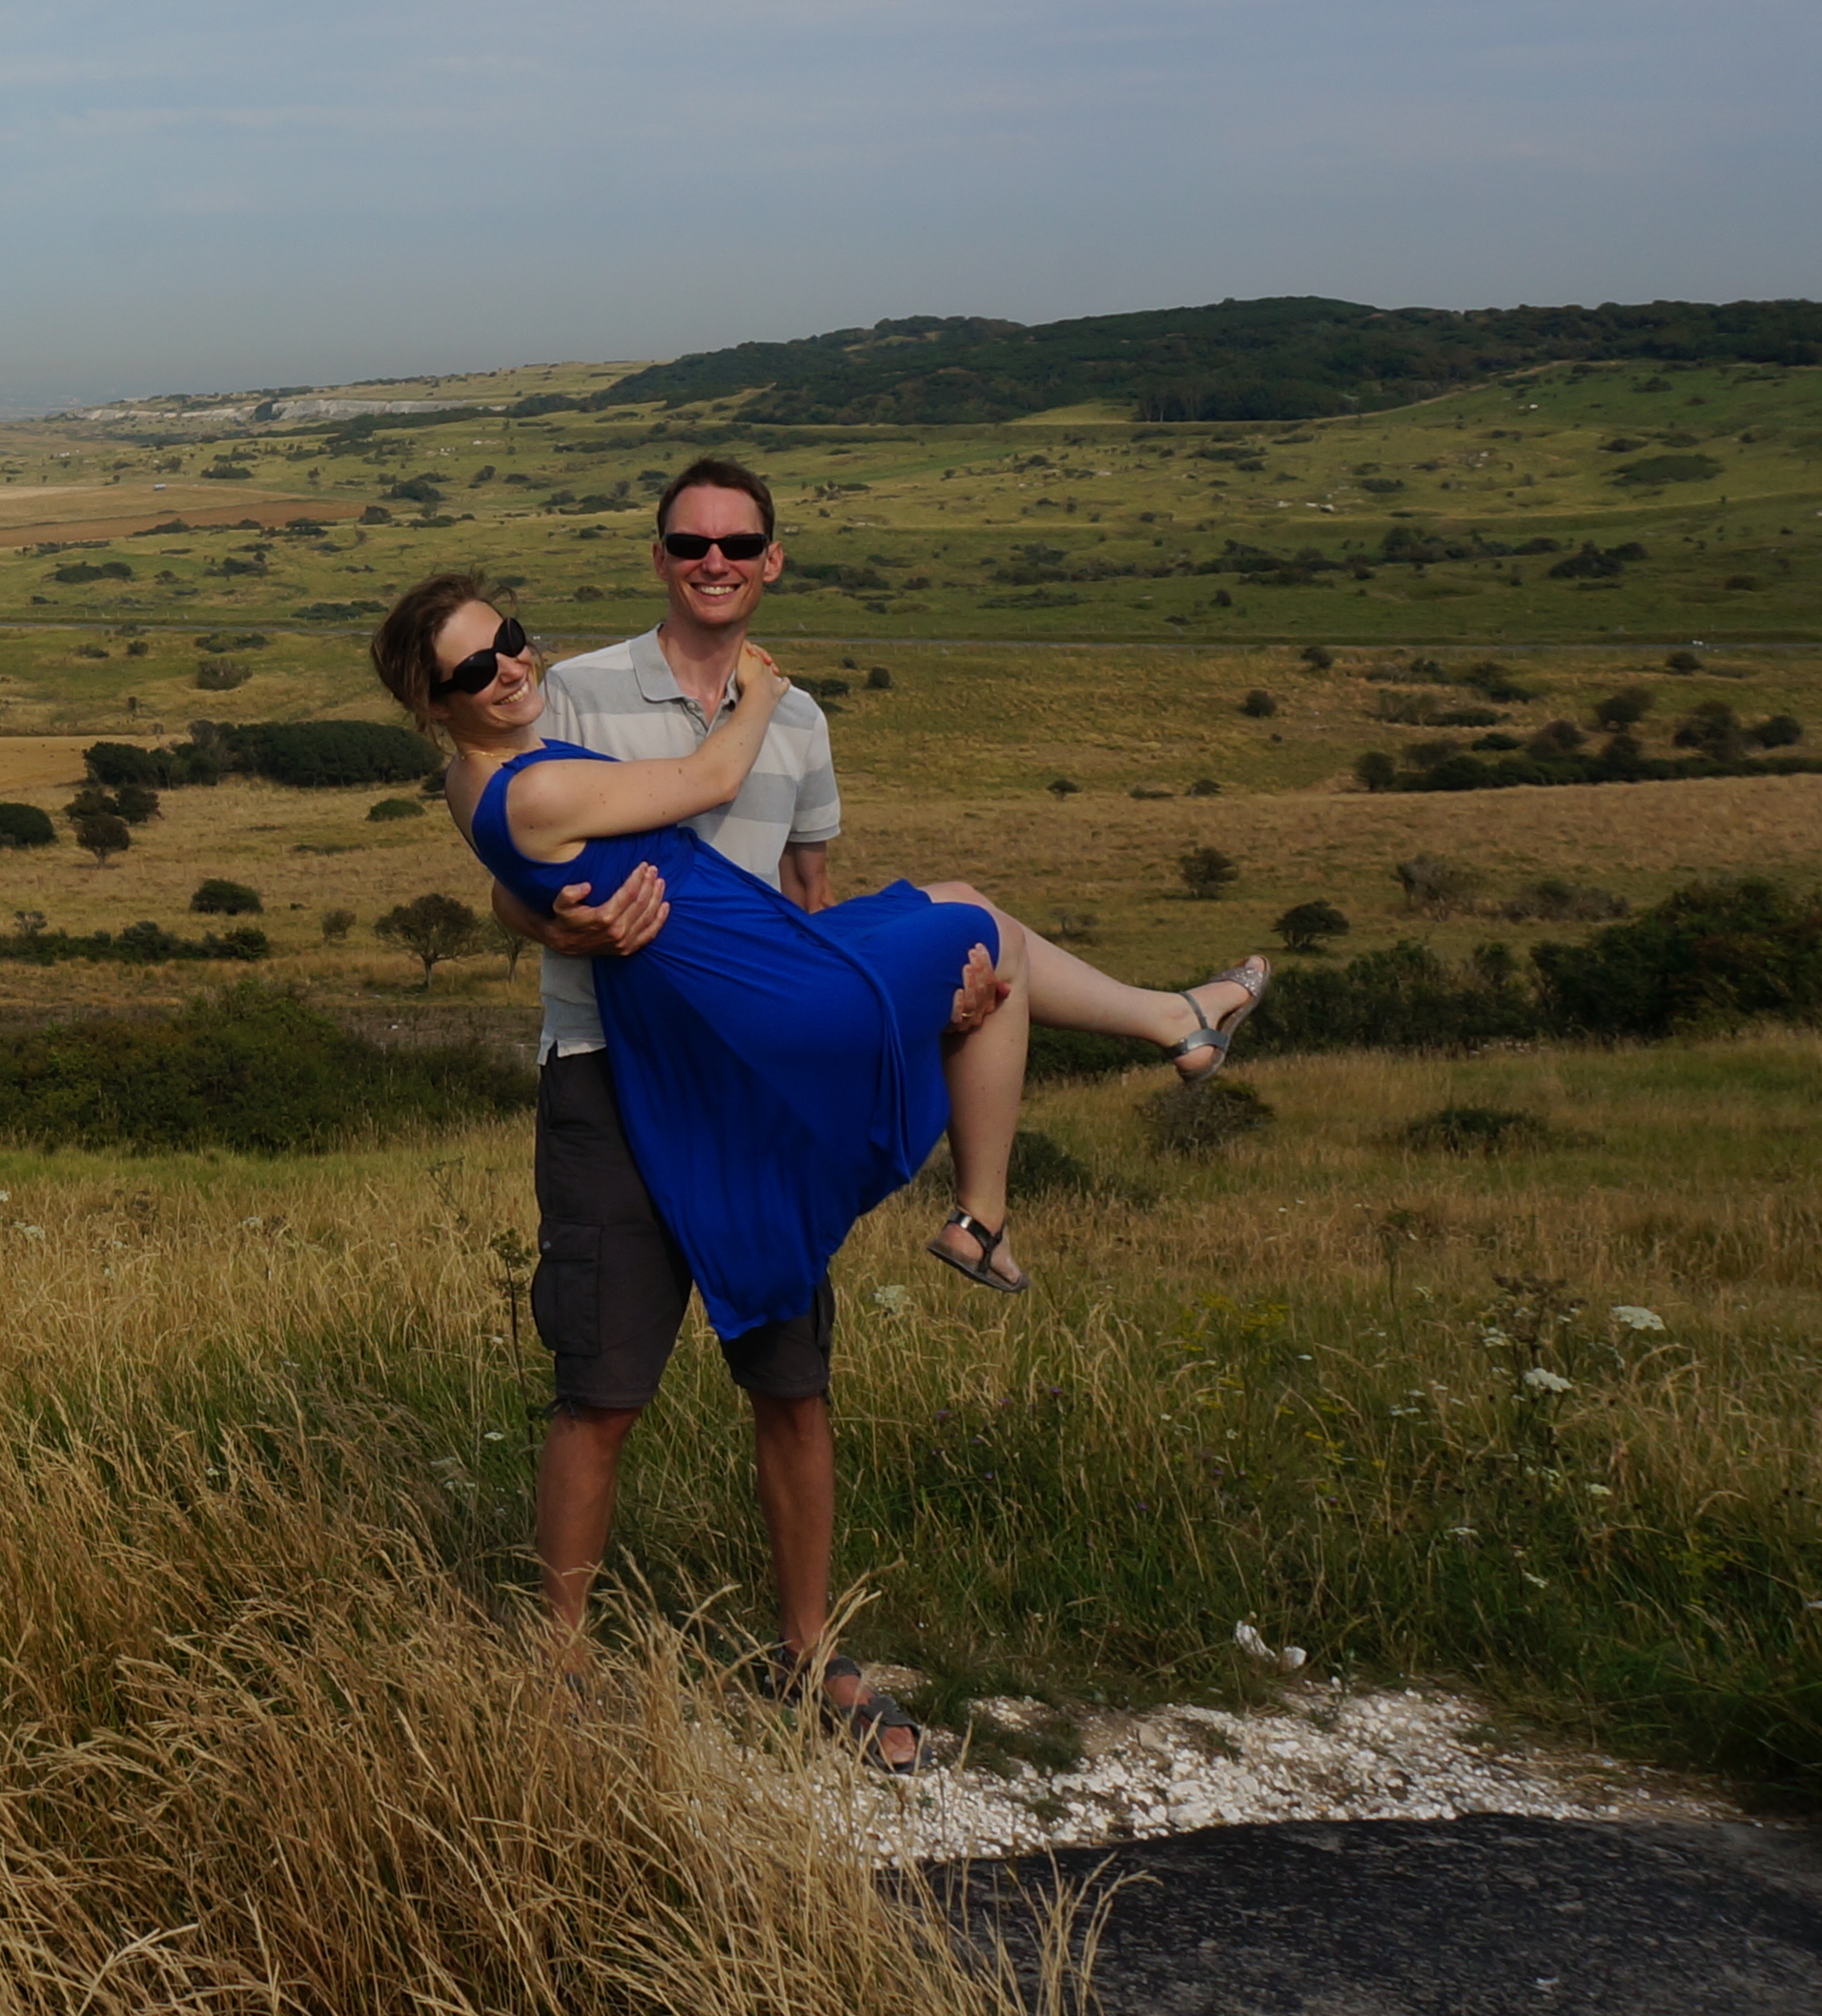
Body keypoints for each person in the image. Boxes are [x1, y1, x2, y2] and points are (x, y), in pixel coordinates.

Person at [399, 462, 1260, 1762]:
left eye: (738, 541)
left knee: (794, 1381)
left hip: (767, 1051)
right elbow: (513, 855)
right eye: (691, 540)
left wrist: (900, 1011)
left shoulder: (797, 722)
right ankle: (555, 1681)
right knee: (602, 1389)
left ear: (771, 559)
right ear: (659, 557)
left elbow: (809, 898)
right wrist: (558, 922)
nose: (715, 559)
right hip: (613, 1067)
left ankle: (809, 1660)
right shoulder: (571, 694)